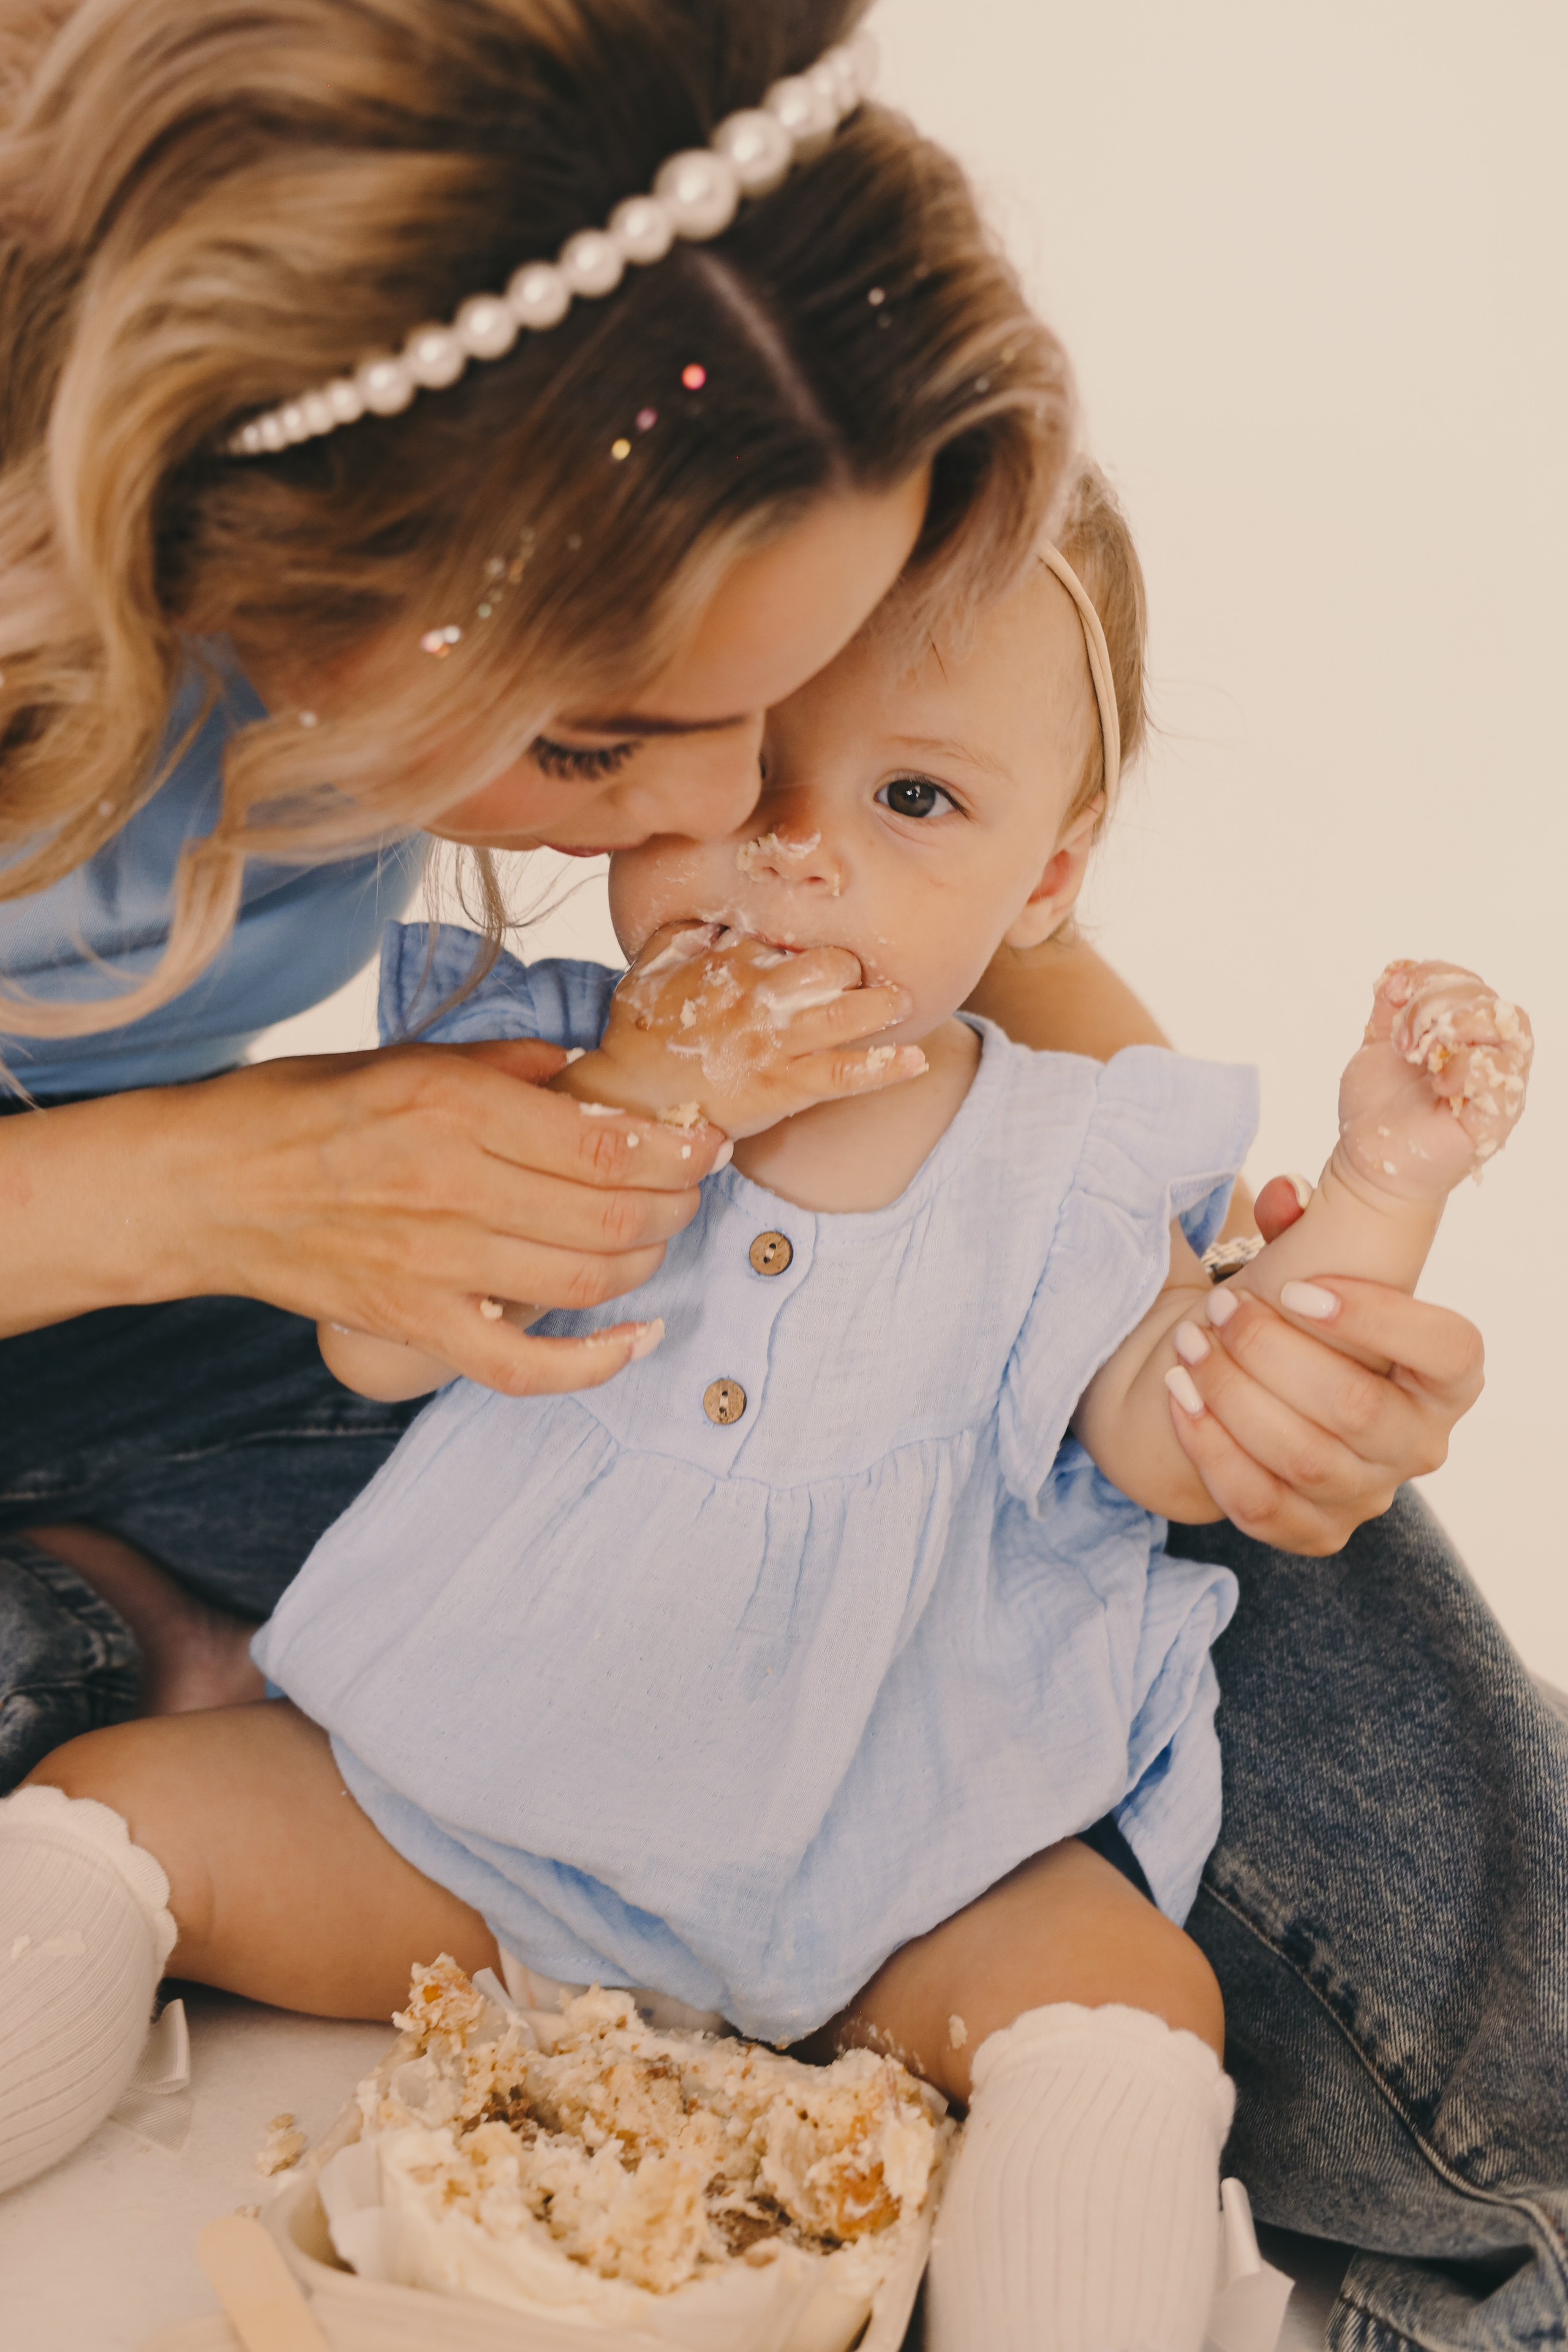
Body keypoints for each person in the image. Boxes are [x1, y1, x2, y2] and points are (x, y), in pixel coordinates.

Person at [1, 7, 1562, 2346]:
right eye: (611, 738)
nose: (727, 829)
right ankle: (97, 1637)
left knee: (1226, 1604)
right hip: (221, 1415)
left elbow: (1127, 1282)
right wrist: (209, 1186)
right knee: (113, 1811)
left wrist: (1224, 1296)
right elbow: (400, 1279)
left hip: (822, 1730)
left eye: (818, 699)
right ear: (286, 569)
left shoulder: (585, 335)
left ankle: (1487, 2218)